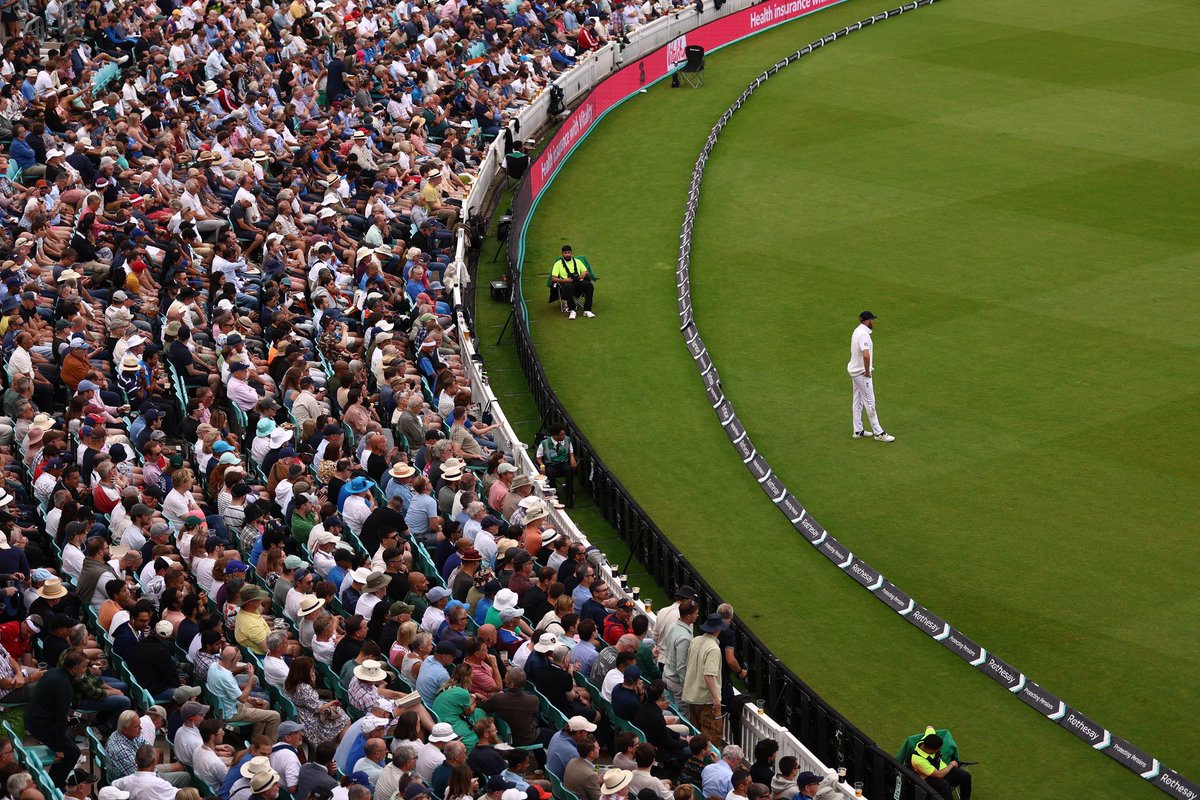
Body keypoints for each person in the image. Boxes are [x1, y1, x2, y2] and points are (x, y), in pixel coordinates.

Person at [26, 652, 88, 788]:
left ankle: (52, 779)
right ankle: (55, 785)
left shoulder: (53, 672)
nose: (85, 670)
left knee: (69, 740)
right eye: (84, 667)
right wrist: (59, 748)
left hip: (35, 718)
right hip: (40, 725)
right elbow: (60, 721)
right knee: (73, 753)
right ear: (75, 669)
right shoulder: (64, 686)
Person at [847, 311, 894, 442]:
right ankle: (879, 433)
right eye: (872, 320)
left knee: (857, 400)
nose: (873, 322)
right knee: (870, 402)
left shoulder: (857, 331)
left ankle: (858, 430)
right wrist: (867, 371)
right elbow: (866, 355)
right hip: (862, 373)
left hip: (855, 371)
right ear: (868, 321)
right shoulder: (863, 335)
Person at [682, 614, 726, 744]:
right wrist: (716, 699)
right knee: (711, 739)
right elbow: (708, 675)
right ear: (719, 629)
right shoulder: (714, 649)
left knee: (696, 737)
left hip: (693, 696)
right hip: (706, 700)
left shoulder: (696, 640)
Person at [909, 731, 971, 800]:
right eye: (938, 749)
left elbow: (929, 728)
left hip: (945, 771)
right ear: (931, 750)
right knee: (944, 785)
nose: (940, 750)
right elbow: (939, 775)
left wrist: (929, 727)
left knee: (965, 776)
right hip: (930, 778)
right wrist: (952, 764)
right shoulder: (917, 760)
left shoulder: (928, 739)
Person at [536, 424, 577, 508]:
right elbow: (538, 457)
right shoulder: (544, 444)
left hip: (563, 463)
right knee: (550, 472)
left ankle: (569, 496)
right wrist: (542, 465)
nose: (564, 436)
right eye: (562, 435)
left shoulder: (567, 440)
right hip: (551, 464)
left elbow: (571, 451)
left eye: (564, 434)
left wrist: (572, 458)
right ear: (555, 436)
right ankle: (555, 495)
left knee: (569, 470)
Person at [550, 245, 596, 320]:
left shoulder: (578, 261)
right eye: (565, 253)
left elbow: (586, 272)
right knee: (568, 286)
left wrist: (584, 273)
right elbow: (553, 278)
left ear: (571, 253)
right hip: (566, 284)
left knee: (589, 285)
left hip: (578, 282)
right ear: (562, 254)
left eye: (569, 252)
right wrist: (564, 280)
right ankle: (572, 310)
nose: (567, 254)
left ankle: (587, 310)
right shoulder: (558, 264)